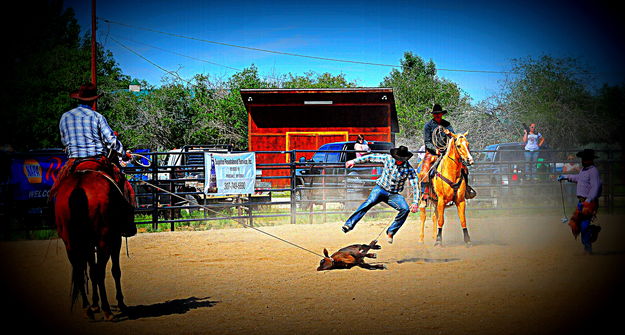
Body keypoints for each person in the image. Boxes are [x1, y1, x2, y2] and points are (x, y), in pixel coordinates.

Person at [49, 83, 136, 237]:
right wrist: (123, 154)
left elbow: (64, 141)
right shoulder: (97, 117)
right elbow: (111, 140)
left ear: (78, 98)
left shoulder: (65, 117)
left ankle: (55, 221)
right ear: (93, 100)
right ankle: (127, 224)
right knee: (124, 186)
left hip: (73, 161)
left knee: (55, 190)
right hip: (97, 160)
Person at [341, 145, 419, 244]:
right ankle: (349, 224)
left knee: (405, 209)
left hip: (394, 194)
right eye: (397, 158)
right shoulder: (388, 159)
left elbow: (415, 184)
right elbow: (370, 157)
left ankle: (391, 231)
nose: (397, 161)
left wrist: (415, 201)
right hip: (380, 189)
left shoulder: (408, 169)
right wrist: (354, 161)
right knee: (369, 202)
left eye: (400, 159)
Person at [557, 149, 602, 254]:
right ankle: (589, 239)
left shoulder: (593, 171)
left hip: (588, 202)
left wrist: (589, 200)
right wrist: (566, 177)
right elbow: (578, 178)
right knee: (577, 225)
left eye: (585, 159)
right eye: (583, 159)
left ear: (590, 160)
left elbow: (596, 186)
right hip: (582, 202)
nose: (583, 160)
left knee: (584, 226)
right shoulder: (584, 170)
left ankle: (588, 246)